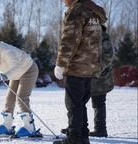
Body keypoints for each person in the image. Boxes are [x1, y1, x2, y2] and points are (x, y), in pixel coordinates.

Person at [53, 0, 107, 144]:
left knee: (73, 103)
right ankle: (83, 136)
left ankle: (75, 137)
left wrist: (61, 64)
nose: (63, 1)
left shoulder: (77, 10)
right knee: (80, 103)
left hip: (77, 65)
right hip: (91, 66)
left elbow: (70, 39)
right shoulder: (93, 11)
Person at [61, 25, 114, 138]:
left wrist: (96, 70)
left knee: (98, 101)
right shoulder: (86, 35)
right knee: (78, 101)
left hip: (100, 76)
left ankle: (100, 129)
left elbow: (108, 56)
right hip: (85, 74)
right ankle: (75, 127)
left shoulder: (102, 37)